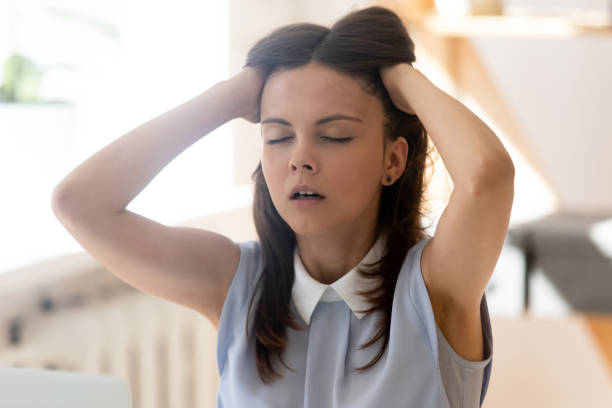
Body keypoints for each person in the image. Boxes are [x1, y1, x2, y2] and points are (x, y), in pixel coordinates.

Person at [51, 5, 514, 408]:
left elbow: (487, 177)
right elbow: (80, 204)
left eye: (334, 136)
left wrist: (399, 73)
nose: (300, 158)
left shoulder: (434, 290)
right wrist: (232, 95)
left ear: (392, 160)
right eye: (278, 136)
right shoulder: (237, 282)